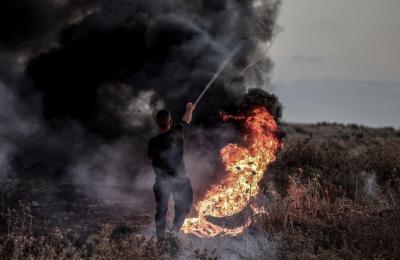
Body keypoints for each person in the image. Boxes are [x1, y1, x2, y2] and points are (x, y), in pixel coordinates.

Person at [147, 102, 195, 241]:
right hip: (179, 180)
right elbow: (186, 118)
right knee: (183, 208)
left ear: (157, 123)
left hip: (161, 181)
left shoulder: (153, 142)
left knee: (161, 210)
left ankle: (161, 240)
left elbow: (150, 157)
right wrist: (189, 108)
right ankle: (174, 233)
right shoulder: (177, 132)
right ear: (170, 121)